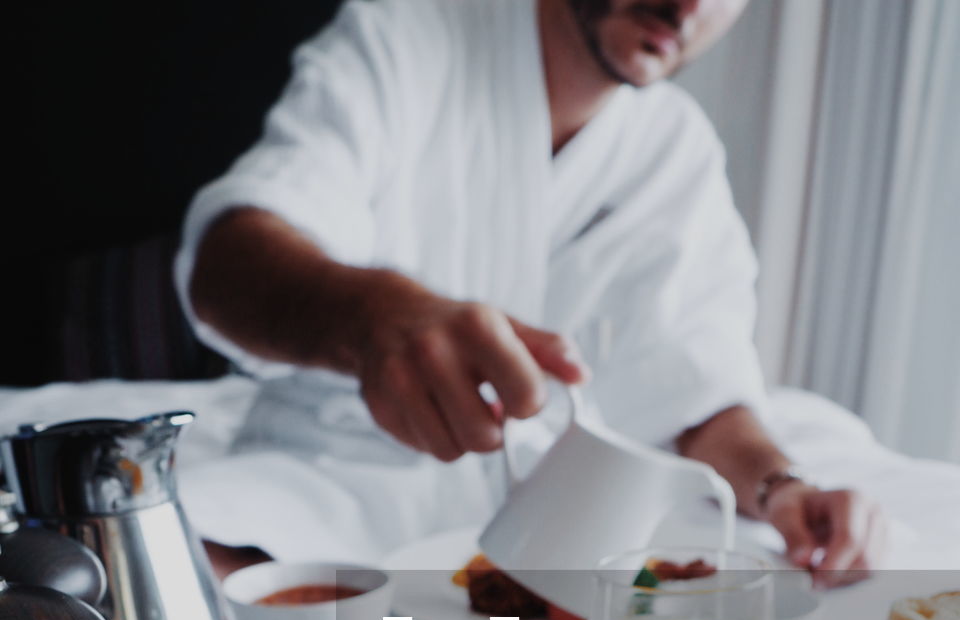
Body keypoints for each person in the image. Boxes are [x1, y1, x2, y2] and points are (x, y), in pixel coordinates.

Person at [177, 0, 885, 585]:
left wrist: (783, 489)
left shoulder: (676, 151)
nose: (691, 3)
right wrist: (370, 319)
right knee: (159, 588)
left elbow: (697, 391)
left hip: (557, 525)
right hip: (335, 478)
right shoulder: (408, 35)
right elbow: (229, 262)